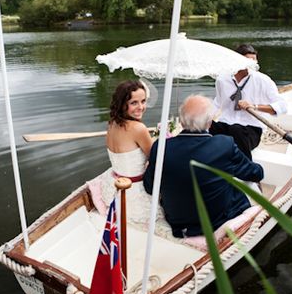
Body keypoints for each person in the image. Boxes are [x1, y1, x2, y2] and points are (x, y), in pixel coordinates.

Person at [143, 95, 264, 238]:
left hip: (178, 222)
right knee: (242, 183)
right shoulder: (224, 145)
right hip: (216, 221)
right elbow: (255, 174)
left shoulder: (161, 146)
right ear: (209, 123)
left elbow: (150, 187)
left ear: (181, 121)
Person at [88, 80, 156, 225]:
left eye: (143, 101)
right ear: (122, 104)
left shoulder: (112, 123)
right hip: (134, 192)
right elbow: (155, 158)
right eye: (134, 103)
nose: (141, 107)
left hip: (114, 187)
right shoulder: (139, 128)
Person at [210, 44, 287, 160]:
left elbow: (282, 106)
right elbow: (217, 103)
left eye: (254, 60)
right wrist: (201, 118)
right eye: (248, 60)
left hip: (251, 130)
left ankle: (246, 169)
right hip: (226, 125)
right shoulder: (222, 79)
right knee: (204, 127)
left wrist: (254, 106)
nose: (252, 64)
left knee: (236, 129)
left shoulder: (263, 80)